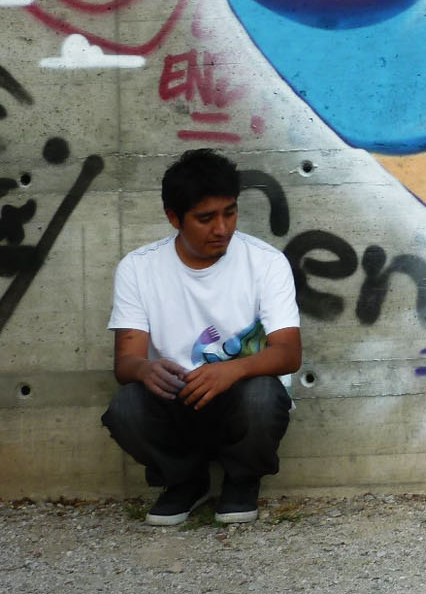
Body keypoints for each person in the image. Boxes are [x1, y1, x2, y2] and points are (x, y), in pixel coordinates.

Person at [102, 149, 301, 525]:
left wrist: (232, 370)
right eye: (206, 218)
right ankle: (185, 482)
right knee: (125, 407)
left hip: (240, 396)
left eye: (230, 212)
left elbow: (289, 353)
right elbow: (126, 362)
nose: (222, 228)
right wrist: (145, 370)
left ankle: (242, 480)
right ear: (174, 218)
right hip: (176, 398)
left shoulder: (266, 262)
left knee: (263, 396)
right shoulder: (138, 268)